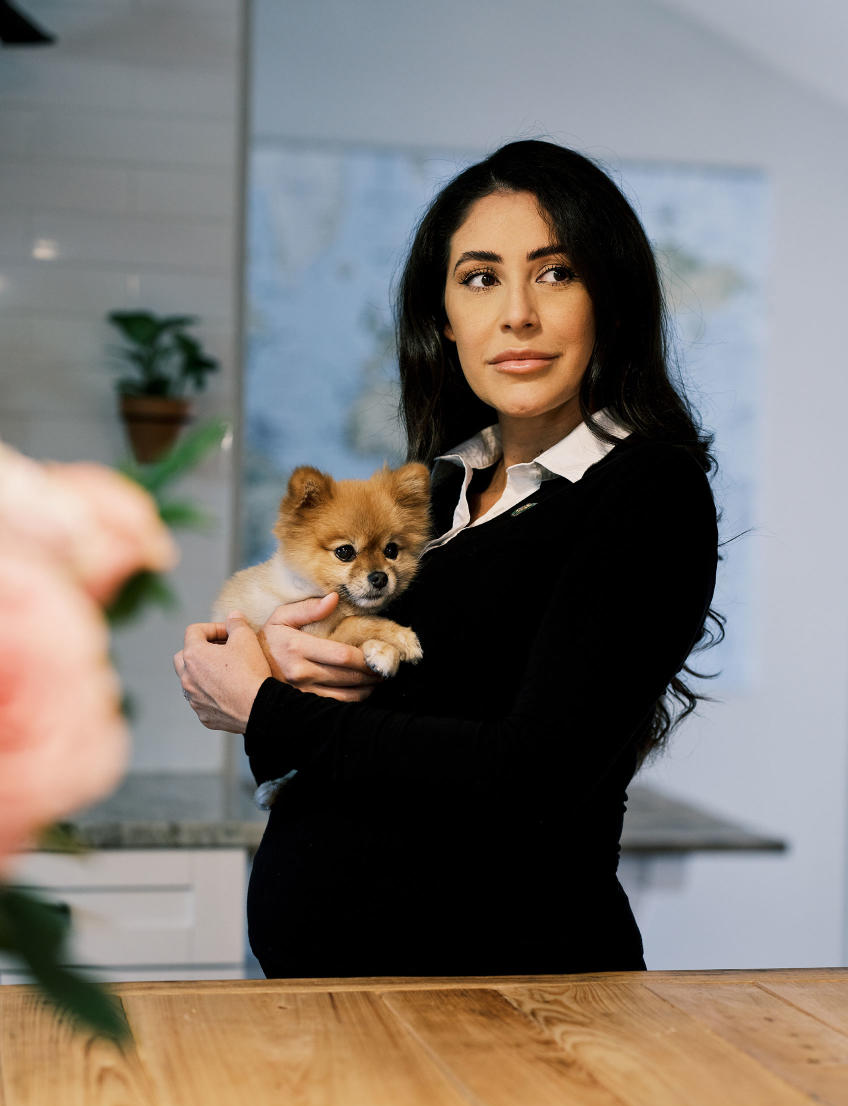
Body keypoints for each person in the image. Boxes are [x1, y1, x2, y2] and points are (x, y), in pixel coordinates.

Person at [175, 140, 722, 978]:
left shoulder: (646, 490)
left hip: (505, 1001)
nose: (516, 316)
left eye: (555, 272)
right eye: (479, 278)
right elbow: (356, 735)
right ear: (442, 316)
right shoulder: (437, 487)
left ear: (609, 301)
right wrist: (281, 664)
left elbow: (529, 780)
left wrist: (267, 710)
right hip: (345, 1000)